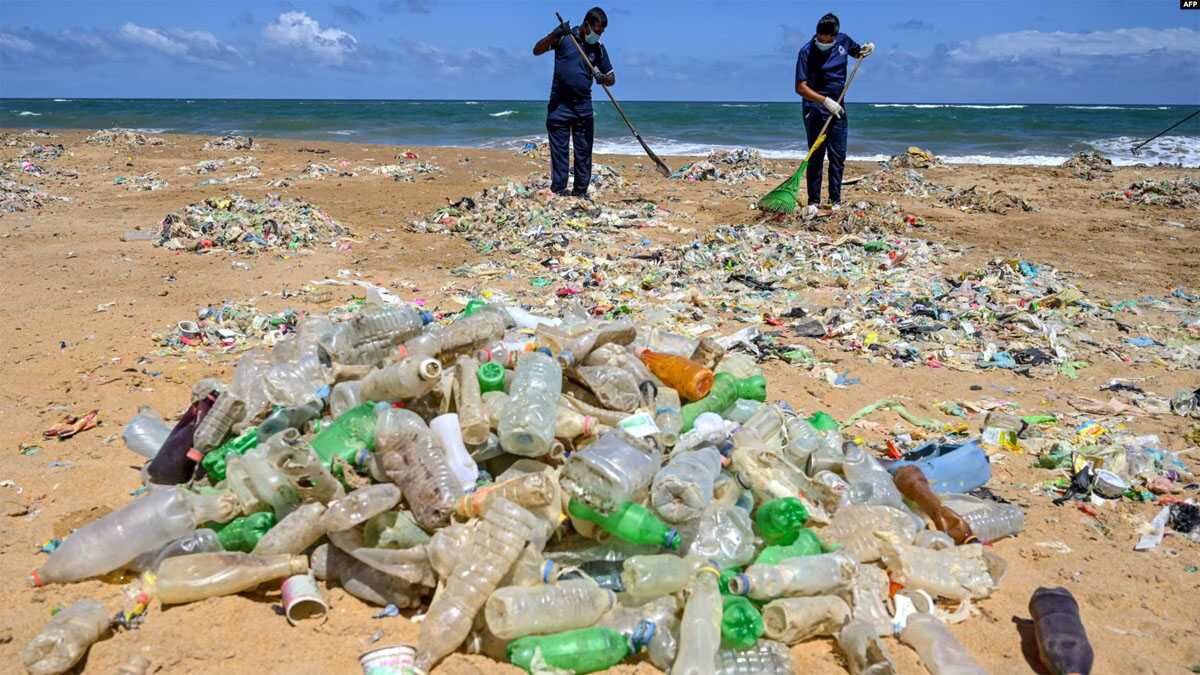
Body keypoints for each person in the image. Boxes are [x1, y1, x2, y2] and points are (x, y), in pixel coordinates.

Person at [532, 7, 615, 199]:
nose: (598, 35)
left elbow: (612, 78)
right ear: (586, 25)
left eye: (601, 32)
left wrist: (602, 77)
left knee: (583, 153)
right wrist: (555, 33)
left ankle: (580, 192)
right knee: (559, 153)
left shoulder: (598, 48)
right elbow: (537, 50)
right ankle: (559, 190)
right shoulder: (565, 38)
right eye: (596, 31)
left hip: (583, 108)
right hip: (559, 106)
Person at [794, 13, 873, 207]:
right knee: (816, 155)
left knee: (838, 155)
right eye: (819, 36)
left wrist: (866, 50)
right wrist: (824, 101)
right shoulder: (806, 51)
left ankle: (835, 200)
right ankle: (813, 201)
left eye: (825, 38)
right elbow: (800, 87)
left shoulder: (843, 41)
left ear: (834, 36)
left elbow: (857, 52)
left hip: (838, 107)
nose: (821, 40)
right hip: (815, 108)